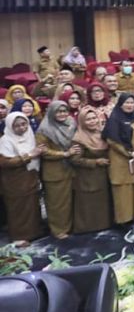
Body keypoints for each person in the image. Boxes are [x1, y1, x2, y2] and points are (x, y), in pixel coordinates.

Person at [104, 94, 134, 228]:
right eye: (126, 103)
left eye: (131, 102)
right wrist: (129, 153)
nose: (129, 105)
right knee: (123, 190)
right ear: (120, 104)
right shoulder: (114, 119)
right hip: (121, 159)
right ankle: (123, 219)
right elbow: (112, 141)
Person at [0, 112, 45, 246]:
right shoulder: (5, 140)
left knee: (32, 206)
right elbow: (5, 162)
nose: (21, 128)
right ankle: (19, 236)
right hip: (15, 181)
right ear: (10, 126)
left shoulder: (30, 135)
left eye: (24, 124)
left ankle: (34, 232)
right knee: (18, 209)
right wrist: (29, 155)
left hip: (30, 177)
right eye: (17, 126)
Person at [36, 101, 79, 239]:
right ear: (51, 113)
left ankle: (70, 226)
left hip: (71, 169)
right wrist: (65, 154)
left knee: (70, 201)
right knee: (57, 203)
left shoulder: (71, 123)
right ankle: (58, 230)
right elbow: (43, 151)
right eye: (58, 111)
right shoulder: (45, 129)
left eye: (64, 111)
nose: (62, 114)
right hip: (54, 171)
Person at [70, 105, 112, 233]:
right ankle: (87, 228)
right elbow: (75, 160)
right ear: (82, 121)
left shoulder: (102, 133)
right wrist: (95, 162)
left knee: (102, 202)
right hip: (86, 177)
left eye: (94, 118)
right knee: (89, 203)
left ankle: (104, 225)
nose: (93, 121)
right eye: (88, 119)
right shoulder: (78, 139)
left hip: (102, 175)